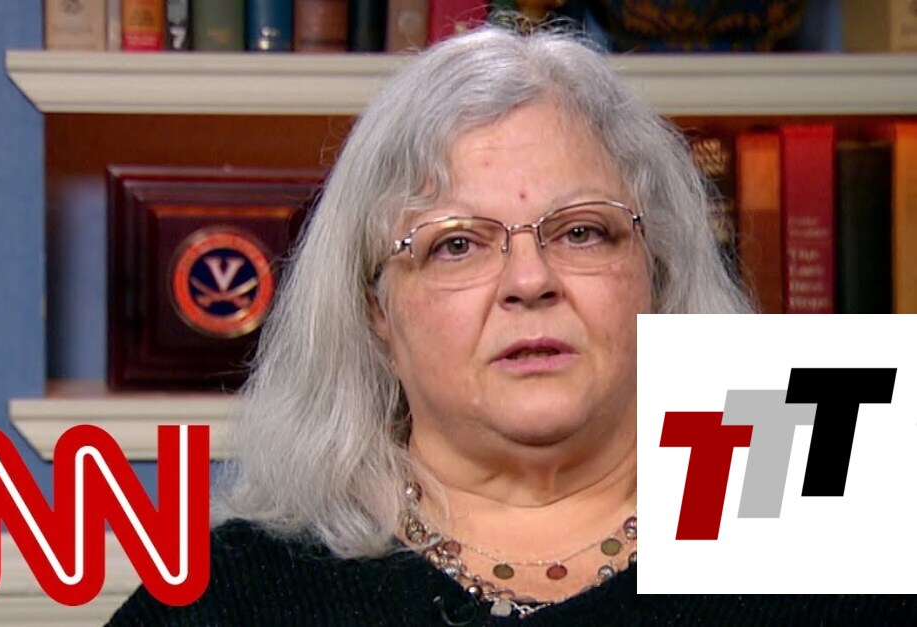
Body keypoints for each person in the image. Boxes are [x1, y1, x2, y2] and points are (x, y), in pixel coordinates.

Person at [108, 23, 912, 627]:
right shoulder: (229, 596)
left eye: (581, 231)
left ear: (656, 272)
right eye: (455, 244)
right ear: (373, 308)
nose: (529, 281)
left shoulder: (840, 541)